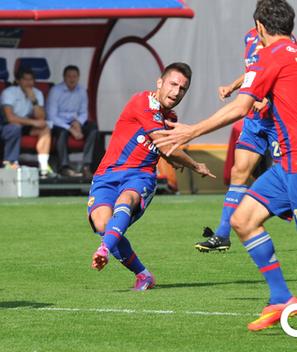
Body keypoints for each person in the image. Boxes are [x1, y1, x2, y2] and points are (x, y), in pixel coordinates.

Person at [154, 0, 297, 331]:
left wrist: (192, 130)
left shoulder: (270, 55)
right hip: (289, 163)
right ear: (291, 26)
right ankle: (281, 299)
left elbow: (240, 107)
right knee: (243, 219)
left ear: (259, 27)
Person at [88, 62, 215, 291]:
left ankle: (104, 249)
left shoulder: (171, 118)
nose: (176, 92)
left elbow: (162, 148)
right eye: (173, 84)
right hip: (107, 174)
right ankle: (143, 275)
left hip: (140, 176)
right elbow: (164, 144)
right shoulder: (143, 101)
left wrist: (174, 160)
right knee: (102, 224)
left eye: (182, 89)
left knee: (126, 200)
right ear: (160, 83)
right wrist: (195, 165)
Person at [195, 0, 287, 253]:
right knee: (239, 172)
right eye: (261, 4)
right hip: (254, 119)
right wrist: (234, 86)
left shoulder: (284, 38)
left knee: (292, 176)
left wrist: (267, 98)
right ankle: (222, 235)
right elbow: (254, 71)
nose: (264, 8)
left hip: (276, 119)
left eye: (270, 3)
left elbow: (280, 73)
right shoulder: (250, 37)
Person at [0, 66, 56, 179]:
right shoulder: (9, 92)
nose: (28, 83)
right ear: (18, 81)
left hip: (26, 125)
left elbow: (41, 118)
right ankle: (11, 163)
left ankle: (43, 166)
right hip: (8, 126)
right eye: (25, 79)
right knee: (15, 126)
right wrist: (33, 122)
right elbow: (10, 117)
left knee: (45, 128)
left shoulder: (37, 93)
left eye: (31, 79)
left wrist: (34, 100)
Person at [46, 65, 98, 178]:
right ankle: (64, 167)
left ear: (78, 77)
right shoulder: (55, 91)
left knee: (93, 130)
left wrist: (78, 122)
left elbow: (84, 112)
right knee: (61, 133)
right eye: (69, 76)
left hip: (74, 122)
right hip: (58, 123)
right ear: (64, 77)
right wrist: (70, 129)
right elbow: (51, 116)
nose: (72, 79)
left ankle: (86, 166)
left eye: (74, 76)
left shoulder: (82, 90)